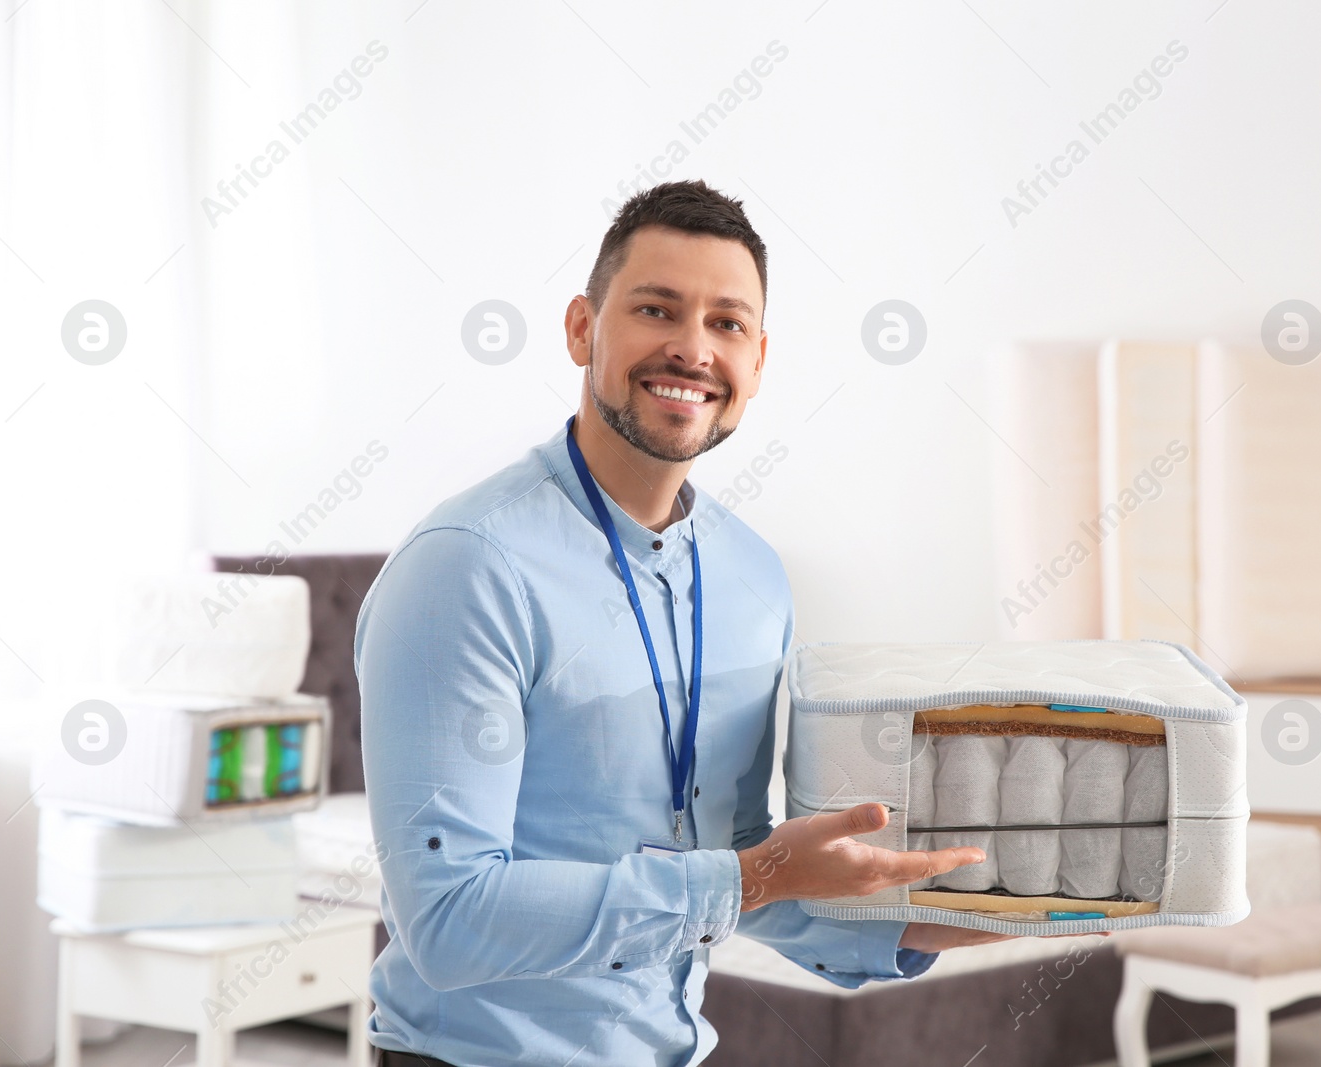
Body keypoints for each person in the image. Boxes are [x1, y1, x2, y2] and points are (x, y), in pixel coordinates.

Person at [358, 179, 1015, 1067]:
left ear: (759, 359)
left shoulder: (752, 577)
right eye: (658, 309)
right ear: (582, 328)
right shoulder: (466, 566)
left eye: (727, 323)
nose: (692, 348)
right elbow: (446, 918)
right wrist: (754, 873)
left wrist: (923, 926)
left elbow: (735, 864)